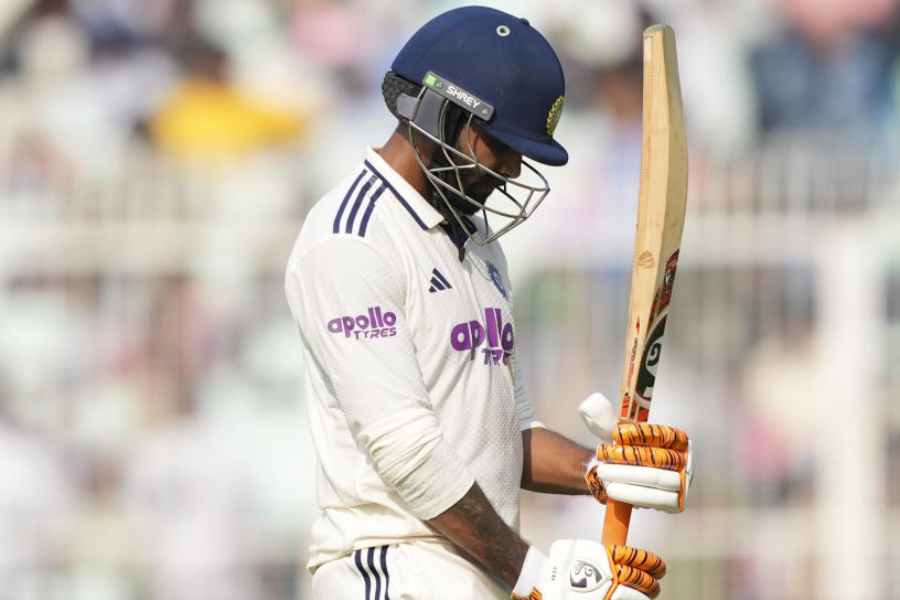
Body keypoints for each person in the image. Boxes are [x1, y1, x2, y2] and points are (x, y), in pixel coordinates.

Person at [284, 7, 693, 600]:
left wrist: (598, 471)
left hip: (472, 574)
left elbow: (505, 433)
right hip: (392, 568)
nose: (510, 168)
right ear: (437, 111)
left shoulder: (477, 244)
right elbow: (408, 454)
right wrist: (541, 577)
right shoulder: (352, 239)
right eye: (499, 143)